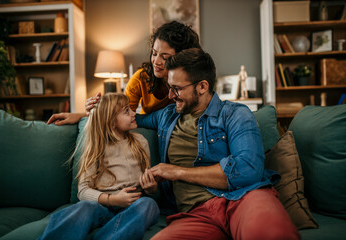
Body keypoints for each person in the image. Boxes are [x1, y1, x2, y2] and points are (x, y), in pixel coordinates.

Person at [135, 48, 300, 239]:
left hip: (243, 198)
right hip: (196, 215)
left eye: (177, 89)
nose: (170, 96)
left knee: (271, 234)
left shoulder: (235, 114)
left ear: (202, 86)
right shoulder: (167, 115)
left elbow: (249, 169)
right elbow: (131, 119)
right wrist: (98, 107)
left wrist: (176, 171)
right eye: (169, 87)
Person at [38, 93, 160, 240]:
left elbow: (148, 186)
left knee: (149, 204)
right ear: (111, 121)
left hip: (132, 207)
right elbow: (82, 191)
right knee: (83, 208)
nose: (134, 113)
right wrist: (113, 200)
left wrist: (151, 188)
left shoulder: (141, 142)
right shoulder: (97, 147)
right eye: (127, 111)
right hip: (103, 206)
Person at [46, 21, 201, 125]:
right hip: (151, 129)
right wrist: (84, 115)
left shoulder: (193, 82)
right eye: (154, 53)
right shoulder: (141, 78)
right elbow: (119, 115)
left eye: (165, 57)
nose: (156, 61)